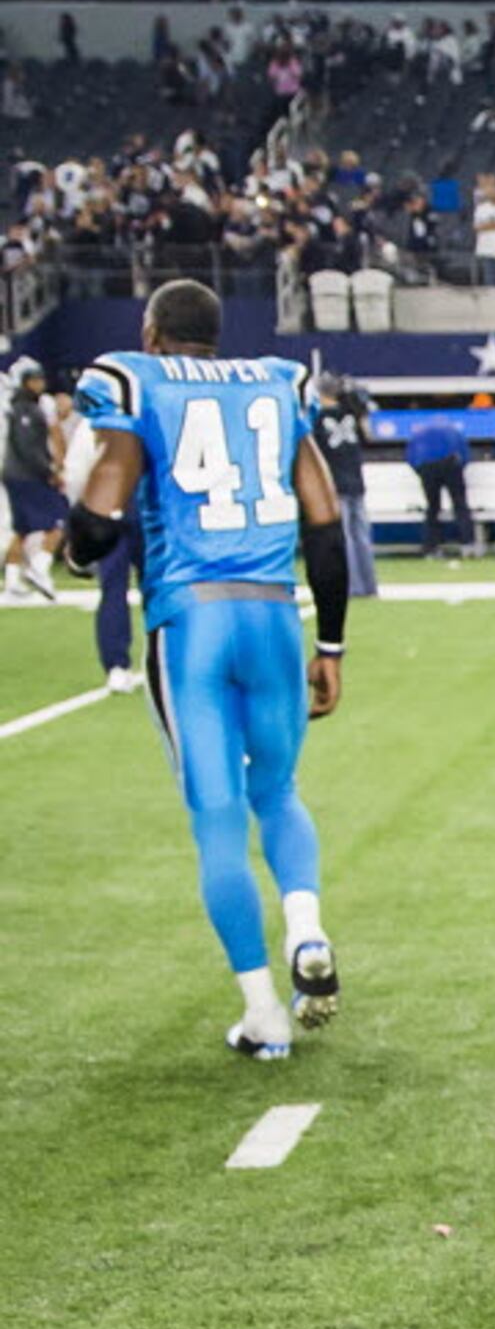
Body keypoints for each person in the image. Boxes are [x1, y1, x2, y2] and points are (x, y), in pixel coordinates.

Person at [70, 279, 350, 1060]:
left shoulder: (136, 377)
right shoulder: (277, 381)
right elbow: (325, 530)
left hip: (190, 619)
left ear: (153, 331)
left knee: (217, 816)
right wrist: (330, 644)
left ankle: (263, 1011)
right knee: (280, 790)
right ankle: (306, 926)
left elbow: (104, 507)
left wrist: (76, 546)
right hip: (271, 613)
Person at [57, 385, 140, 689]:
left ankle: (117, 665)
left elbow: (76, 475)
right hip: (147, 509)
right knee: (163, 588)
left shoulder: (90, 426)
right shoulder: (149, 415)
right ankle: (170, 657)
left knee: (113, 588)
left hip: (107, 509)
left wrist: (84, 522)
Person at [3, 355, 64, 598]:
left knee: (22, 529)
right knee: (59, 521)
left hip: (16, 474)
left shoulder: (22, 406)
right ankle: (39, 568)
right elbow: (28, 448)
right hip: (27, 475)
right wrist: (50, 472)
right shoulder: (25, 410)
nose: (40, 384)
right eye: (35, 379)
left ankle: (11, 581)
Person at [312, 374, 378, 597]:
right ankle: (369, 584)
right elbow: (368, 437)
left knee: (345, 537)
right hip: (356, 480)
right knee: (361, 535)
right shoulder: (351, 413)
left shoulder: (318, 418)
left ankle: (352, 585)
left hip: (335, 483)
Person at [404, 406, 474, 560]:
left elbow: (410, 456)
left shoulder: (419, 433)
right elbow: (465, 454)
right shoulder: (453, 431)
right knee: (460, 505)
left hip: (427, 467)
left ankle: (431, 548)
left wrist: (420, 471)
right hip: (451, 465)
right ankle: (467, 544)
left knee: (433, 508)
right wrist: (459, 467)